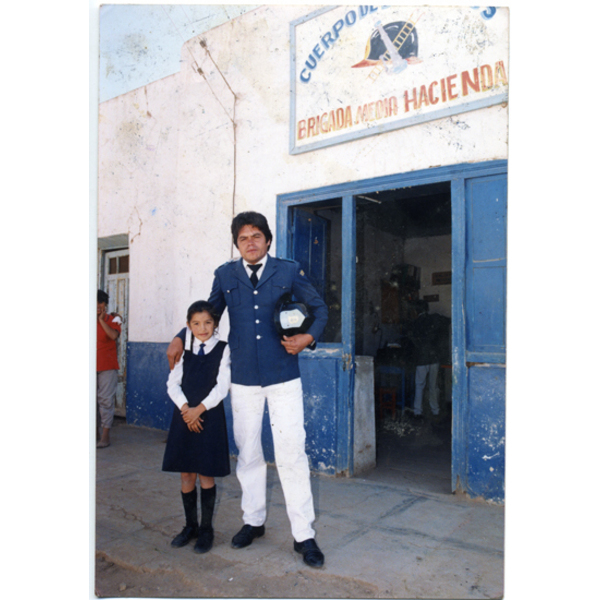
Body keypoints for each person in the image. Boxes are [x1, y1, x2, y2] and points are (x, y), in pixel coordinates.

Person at [166, 211, 328, 568]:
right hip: (243, 380)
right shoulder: (225, 275)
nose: (250, 242)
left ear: (268, 240)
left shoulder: (288, 270)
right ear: (236, 243)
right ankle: (253, 521)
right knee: (249, 453)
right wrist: (180, 337)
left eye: (256, 236)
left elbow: (320, 309)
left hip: (283, 376)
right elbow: (208, 313)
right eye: (243, 238)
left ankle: (304, 536)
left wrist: (308, 337)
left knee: (291, 455)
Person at [163, 300, 231, 554]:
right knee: (186, 474)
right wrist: (185, 409)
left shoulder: (224, 349)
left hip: (208, 417)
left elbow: (222, 386)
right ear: (188, 326)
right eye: (196, 323)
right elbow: (172, 384)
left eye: (207, 323)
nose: (202, 328)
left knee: (206, 473)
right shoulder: (185, 350)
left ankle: (206, 530)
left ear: (215, 324)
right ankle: (189, 526)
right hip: (184, 417)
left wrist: (198, 410)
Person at [404, 300, 449, 420]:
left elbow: (411, 341)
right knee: (433, 385)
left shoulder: (414, 323)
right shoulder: (435, 318)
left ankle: (418, 411)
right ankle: (435, 410)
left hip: (421, 359)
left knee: (419, 385)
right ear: (427, 309)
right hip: (434, 358)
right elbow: (448, 321)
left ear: (416, 311)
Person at [96, 290, 121, 448]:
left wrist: (101, 321)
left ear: (105, 304)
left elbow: (113, 336)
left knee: (105, 401)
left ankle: (105, 435)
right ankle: (94, 433)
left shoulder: (113, 319)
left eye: (101, 302)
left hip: (107, 366)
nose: (98, 306)